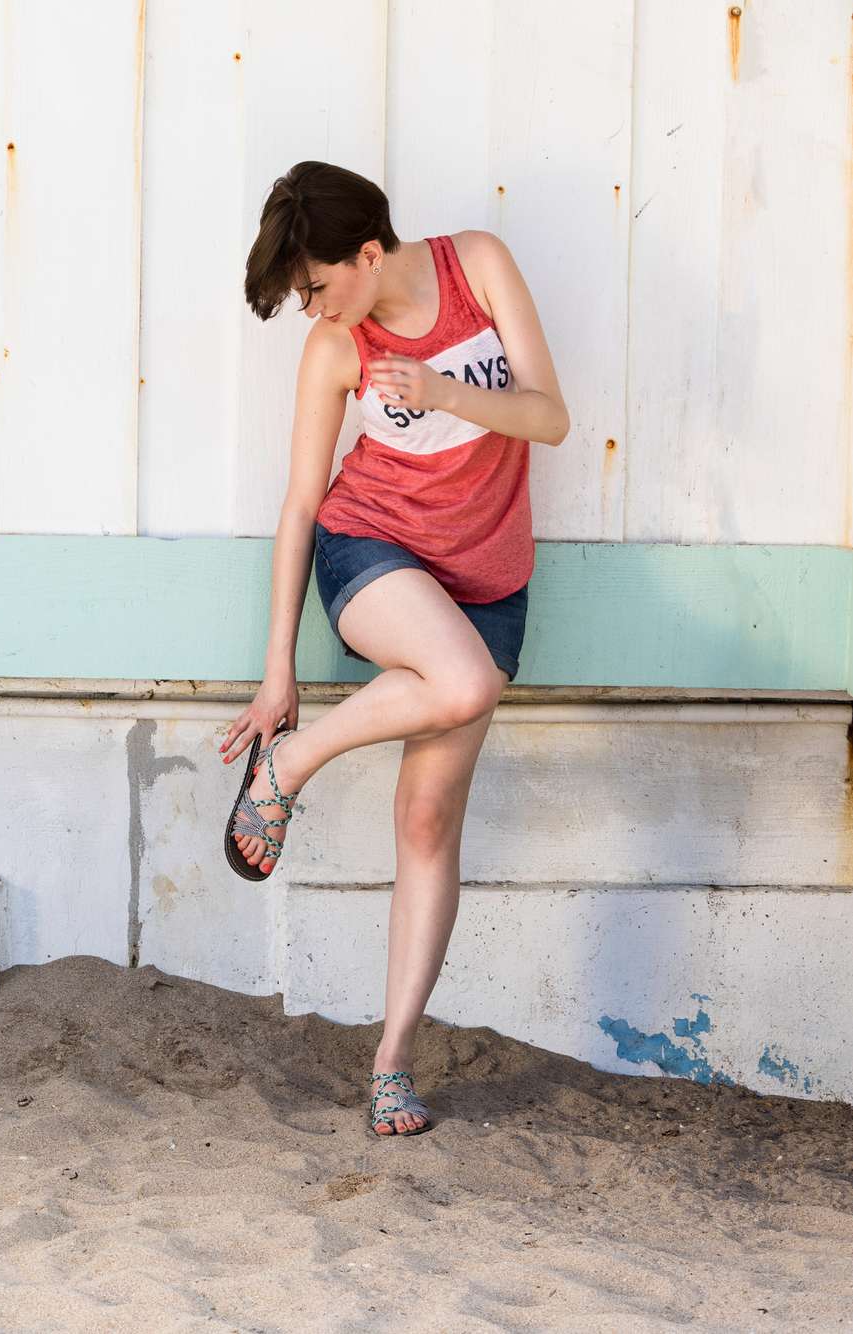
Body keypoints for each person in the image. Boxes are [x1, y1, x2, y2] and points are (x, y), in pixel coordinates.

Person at [217, 160, 570, 1137]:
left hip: (489, 582)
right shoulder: (335, 348)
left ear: (369, 254)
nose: (311, 306)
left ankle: (390, 1061)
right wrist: (279, 672)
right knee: (456, 682)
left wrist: (449, 389)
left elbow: (550, 416)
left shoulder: (480, 269)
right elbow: (300, 506)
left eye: (318, 284)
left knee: (425, 823)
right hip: (373, 553)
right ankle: (291, 760)